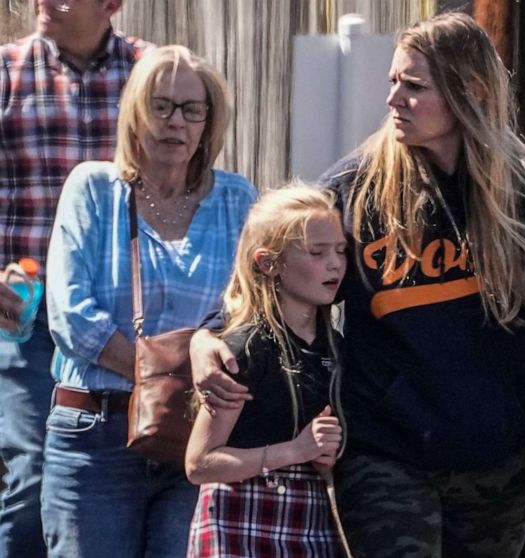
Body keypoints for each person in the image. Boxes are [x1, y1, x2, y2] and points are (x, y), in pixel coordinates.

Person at [191, 13, 525, 557]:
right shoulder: (357, 189)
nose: (394, 99)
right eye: (393, 81)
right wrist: (206, 337)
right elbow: (273, 275)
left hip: (501, 461)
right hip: (384, 452)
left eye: (414, 86)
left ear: (471, 92)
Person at [42, 45, 256, 558]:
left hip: (197, 444)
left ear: (209, 122)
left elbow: (250, 312)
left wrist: (189, 389)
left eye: (191, 109)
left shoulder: (237, 200)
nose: (175, 122)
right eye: (160, 106)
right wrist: (165, 381)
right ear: (136, 113)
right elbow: (70, 315)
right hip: (96, 437)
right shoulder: (93, 188)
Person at [0, 1, 149, 554]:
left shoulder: (149, 73)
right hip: (28, 312)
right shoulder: (7, 73)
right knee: (34, 465)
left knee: (129, 463)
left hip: (125, 311)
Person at [185, 186, 348, 557]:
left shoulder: (337, 347)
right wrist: (296, 449)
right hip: (239, 517)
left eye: (341, 251)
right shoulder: (244, 347)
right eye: (317, 252)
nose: (335, 264)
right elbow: (199, 463)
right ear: (268, 262)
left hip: (311, 517)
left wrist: (326, 459)